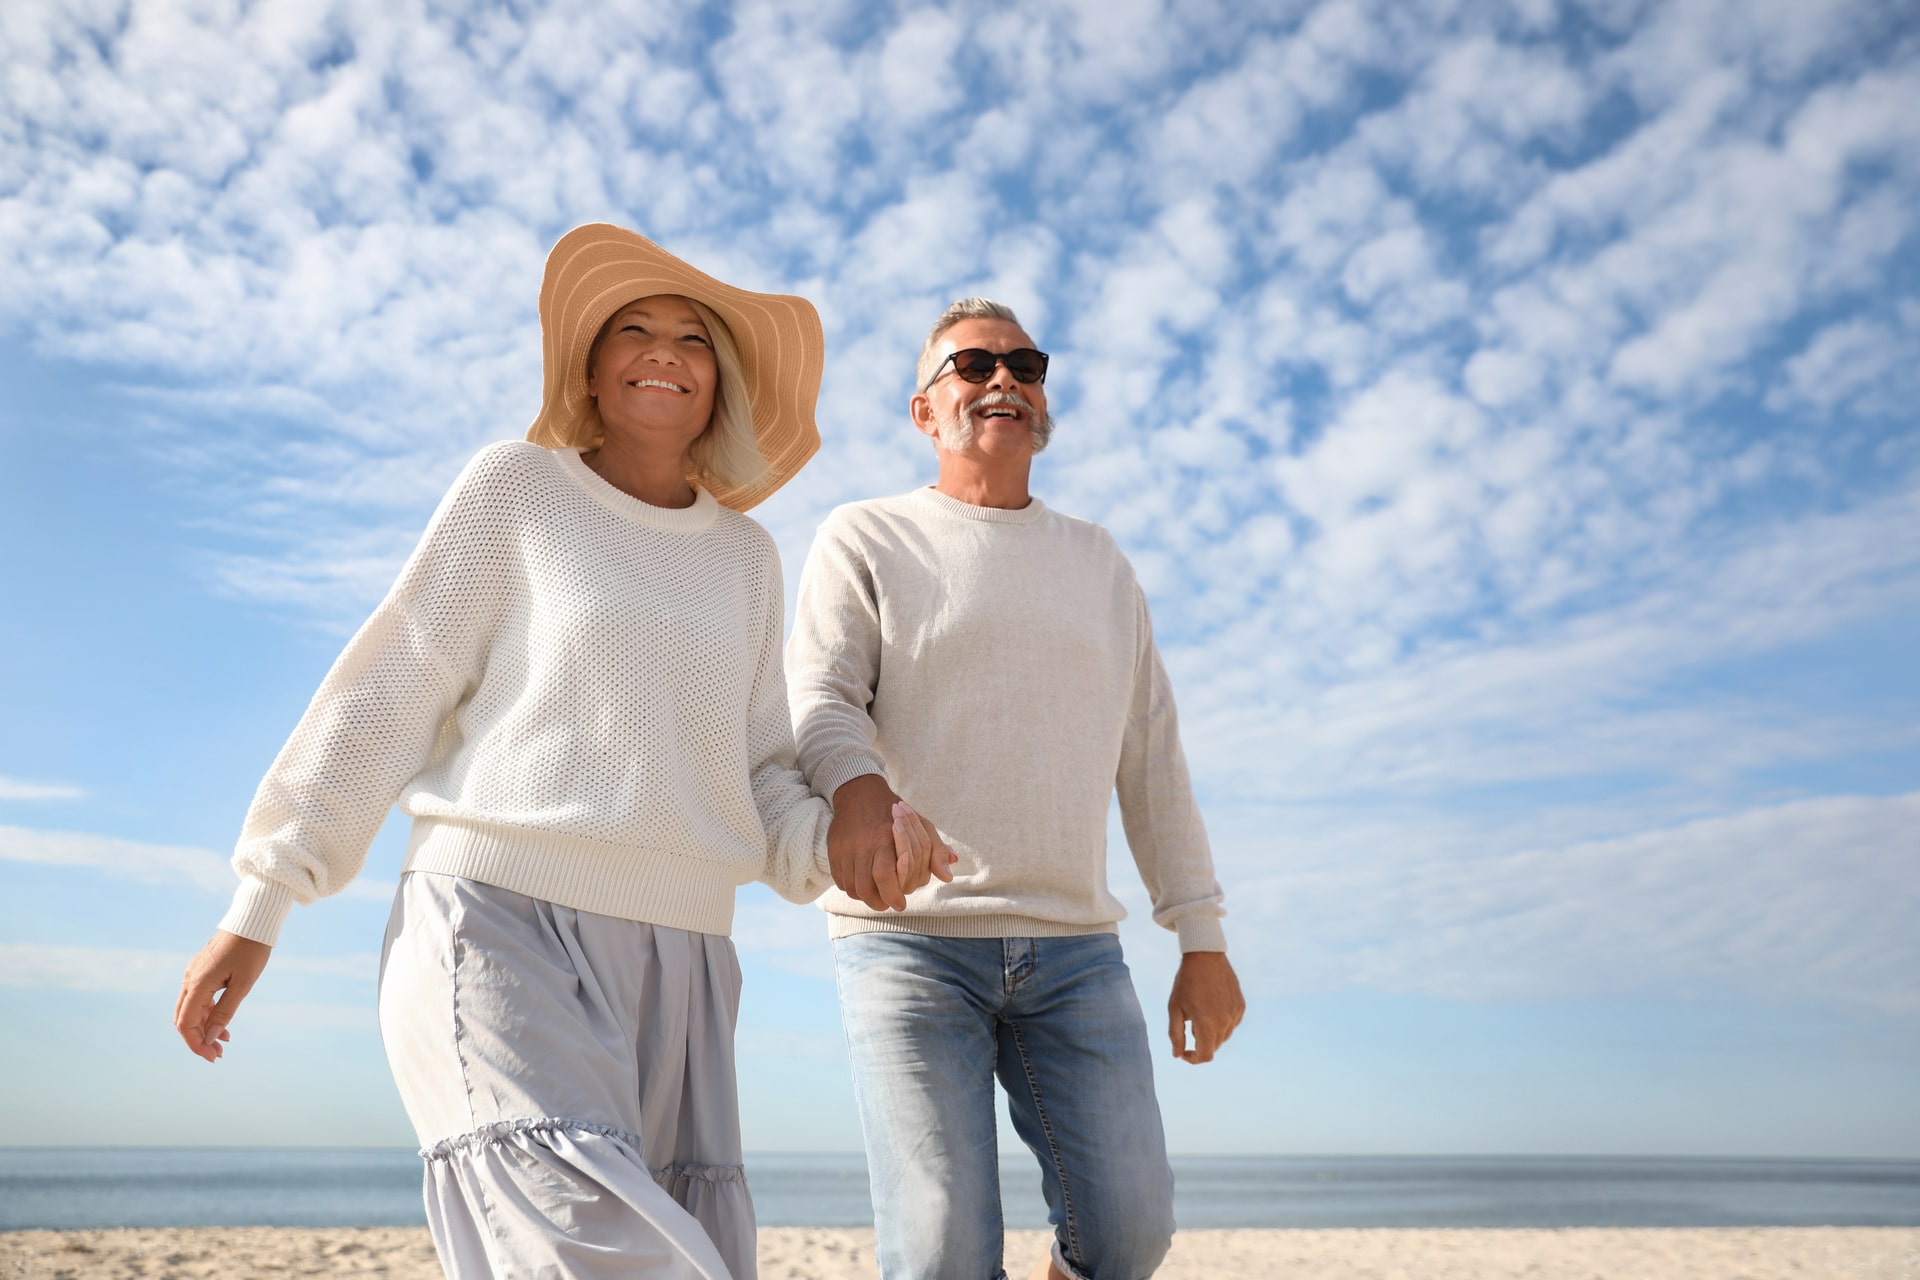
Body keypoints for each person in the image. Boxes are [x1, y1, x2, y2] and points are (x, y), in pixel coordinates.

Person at [173, 224, 950, 1280]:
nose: (664, 351)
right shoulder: (514, 490)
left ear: (721, 382)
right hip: (495, 922)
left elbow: (760, 768)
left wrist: (848, 845)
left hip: (683, 966)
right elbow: (390, 687)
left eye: (693, 337)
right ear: (590, 363)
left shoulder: (746, 558)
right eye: (636, 328)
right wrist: (261, 900)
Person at [786, 298, 1247, 1280]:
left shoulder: (1101, 563)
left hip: (1077, 950)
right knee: (943, 1248)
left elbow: (1153, 758)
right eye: (975, 363)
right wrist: (864, 791)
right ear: (924, 409)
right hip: (906, 944)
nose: (1004, 378)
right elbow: (820, 703)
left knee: (1129, 1236)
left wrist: (1200, 937)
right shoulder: (864, 535)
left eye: (1026, 364)